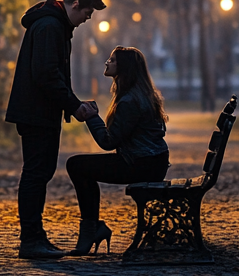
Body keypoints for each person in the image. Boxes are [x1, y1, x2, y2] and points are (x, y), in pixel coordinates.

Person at [5, 0, 105, 259]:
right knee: (36, 174)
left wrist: (72, 104)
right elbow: (47, 75)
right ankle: (31, 239)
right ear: (74, 5)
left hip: (39, 112)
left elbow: (49, 75)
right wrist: (74, 106)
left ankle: (35, 237)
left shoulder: (53, 24)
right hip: (37, 114)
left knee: (39, 173)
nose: (87, 19)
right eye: (86, 12)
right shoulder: (50, 26)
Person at [65, 46, 169, 255]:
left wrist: (92, 116)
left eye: (112, 60)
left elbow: (108, 142)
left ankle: (91, 229)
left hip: (142, 165)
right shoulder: (140, 95)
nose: (107, 62)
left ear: (124, 68)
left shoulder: (130, 101)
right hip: (149, 162)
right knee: (79, 166)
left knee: (76, 165)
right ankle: (92, 228)